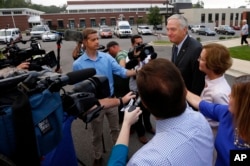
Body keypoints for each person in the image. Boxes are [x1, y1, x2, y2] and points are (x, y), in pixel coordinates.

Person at [108, 58, 214, 165]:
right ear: (183, 88)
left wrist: (126, 124)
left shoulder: (144, 161)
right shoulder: (201, 119)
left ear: (144, 104)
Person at [72, 28, 137, 166]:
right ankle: (97, 155)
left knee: (116, 130)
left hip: (112, 100)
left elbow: (122, 72)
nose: (97, 41)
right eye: (93, 39)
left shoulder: (106, 57)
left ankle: (119, 154)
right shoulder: (78, 64)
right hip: (95, 105)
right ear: (84, 42)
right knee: (97, 134)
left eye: (97, 39)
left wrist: (138, 71)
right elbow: (79, 91)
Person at [186, 74, 250, 166]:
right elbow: (200, 103)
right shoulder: (226, 113)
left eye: (233, 95)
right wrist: (184, 91)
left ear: (244, 103)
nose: (229, 95)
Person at [166, 14, 205, 96]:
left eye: (173, 29)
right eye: (167, 29)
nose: (169, 33)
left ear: (184, 30)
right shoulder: (175, 45)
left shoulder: (196, 49)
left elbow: (198, 84)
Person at [126, 34, 155, 144]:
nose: (140, 45)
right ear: (132, 44)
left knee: (147, 110)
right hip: (135, 88)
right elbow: (129, 70)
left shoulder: (147, 52)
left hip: (146, 87)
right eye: (137, 44)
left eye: (141, 43)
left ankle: (148, 127)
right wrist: (137, 58)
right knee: (137, 112)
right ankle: (141, 133)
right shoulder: (129, 55)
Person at [106, 41, 130, 123]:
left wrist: (120, 69)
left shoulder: (120, 54)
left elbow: (122, 64)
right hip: (128, 83)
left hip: (121, 84)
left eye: (109, 50)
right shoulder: (126, 51)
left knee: (121, 101)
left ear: (114, 47)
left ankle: (123, 120)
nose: (109, 53)